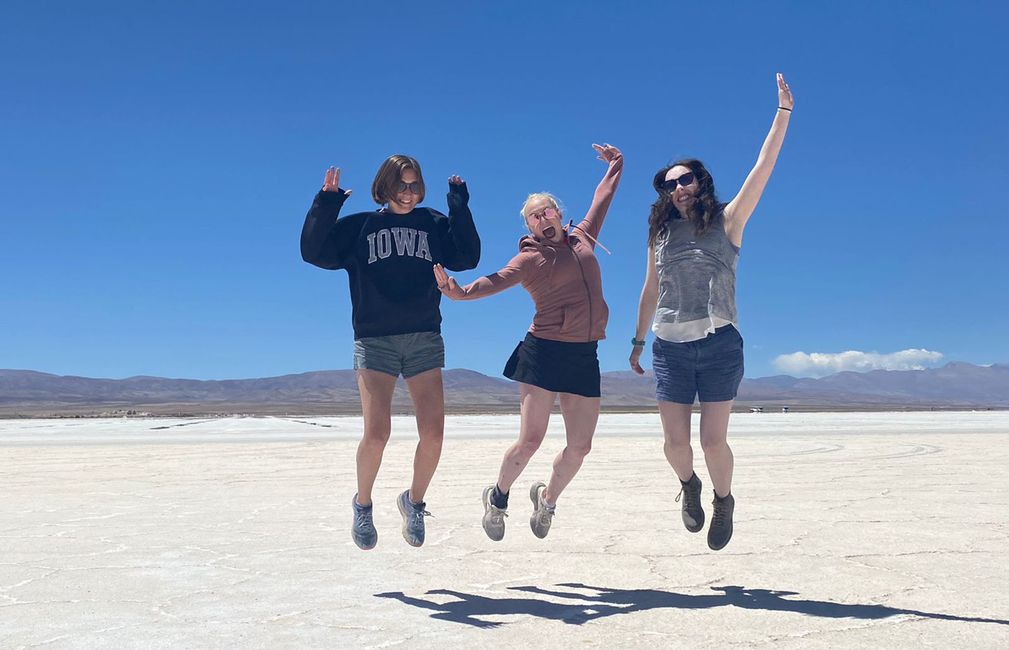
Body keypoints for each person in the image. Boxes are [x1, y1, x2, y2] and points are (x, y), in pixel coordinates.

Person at [630, 74, 794, 551]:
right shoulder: (659, 236)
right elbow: (649, 289)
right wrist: (638, 340)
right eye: (668, 184)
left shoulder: (729, 220)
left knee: (711, 442)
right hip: (669, 347)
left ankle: (724, 499)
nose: (677, 187)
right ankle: (689, 486)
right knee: (675, 446)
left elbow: (762, 169)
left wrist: (782, 114)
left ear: (700, 182)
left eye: (684, 179)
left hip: (719, 344)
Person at [434, 144, 622, 541]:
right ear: (530, 226)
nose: (543, 219)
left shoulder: (583, 238)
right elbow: (496, 280)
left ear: (558, 212)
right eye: (535, 217)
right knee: (531, 439)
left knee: (580, 448)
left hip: (584, 355)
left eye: (548, 211)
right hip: (544, 353)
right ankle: (498, 497)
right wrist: (460, 292)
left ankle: (547, 500)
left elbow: (602, 198)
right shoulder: (529, 260)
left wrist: (616, 165)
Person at [300, 155, 481, 550]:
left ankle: (413, 502)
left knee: (433, 434)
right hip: (375, 339)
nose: (409, 193)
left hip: (423, 338)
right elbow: (314, 252)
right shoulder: (362, 228)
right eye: (401, 185)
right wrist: (326, 203)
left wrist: (458, 206)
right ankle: (363, 504)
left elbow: (467, 257)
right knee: (377, 433)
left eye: (415, 185)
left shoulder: (432, 224)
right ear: (383, 187)